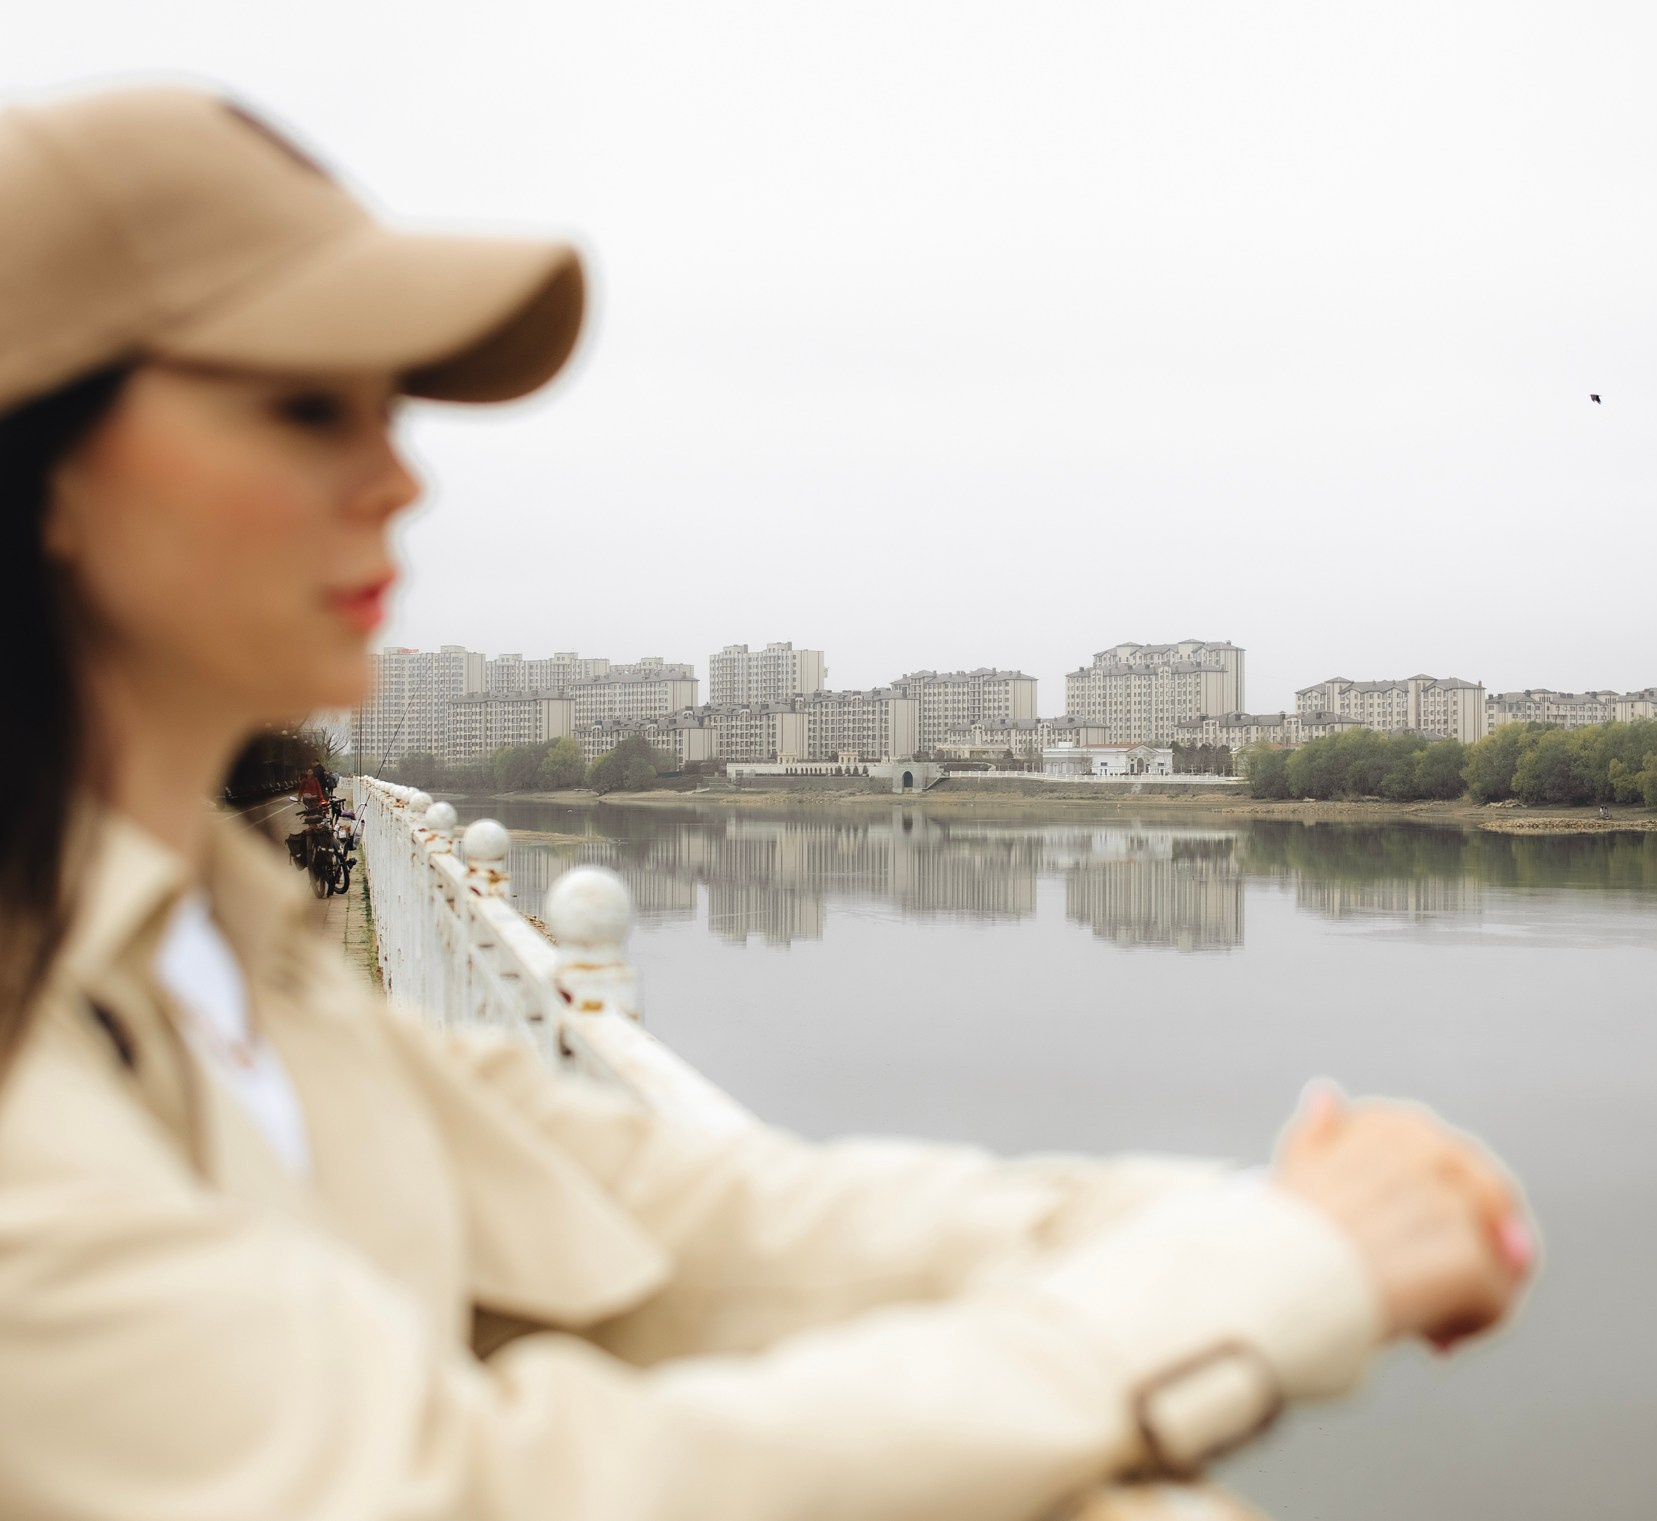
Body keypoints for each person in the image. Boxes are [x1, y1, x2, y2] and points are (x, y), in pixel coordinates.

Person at [0, 84, 1534, 1519]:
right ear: (48, 461)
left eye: (390, 408)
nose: (404, 479)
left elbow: (679, 1216)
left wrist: (1257, 1218)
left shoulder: (218, 947)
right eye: (304, 412)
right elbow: (477, 1487)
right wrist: (1255, 1284)